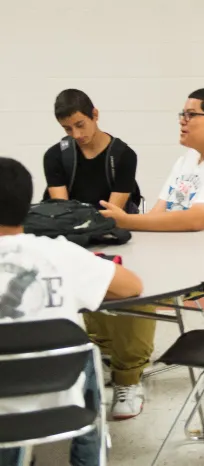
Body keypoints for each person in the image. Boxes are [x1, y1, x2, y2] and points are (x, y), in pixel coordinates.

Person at [84, 88, 204, 420]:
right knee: (101, 272)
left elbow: (199, 219)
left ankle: (129, 379)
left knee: (137, 288)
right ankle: (108, 352)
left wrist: (130, 220)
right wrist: (126, 226)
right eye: (181, 115)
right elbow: (159, 212)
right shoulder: (187, 160)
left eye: (190, 115)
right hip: (184, 251)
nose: (182, 122)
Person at [0, 157, 143, 466]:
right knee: (84, 351)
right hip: (61, 395)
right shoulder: (59, 252)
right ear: (28, 206)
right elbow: (131, 287)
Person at [43, 89, 142, 213]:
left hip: (108, 228)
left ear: (95, 114)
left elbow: (112, 215)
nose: (76, 134)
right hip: (70, 228)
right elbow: (63, 215)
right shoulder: (54, 156)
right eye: (67, 129)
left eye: (80, 125)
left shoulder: (125, 156)